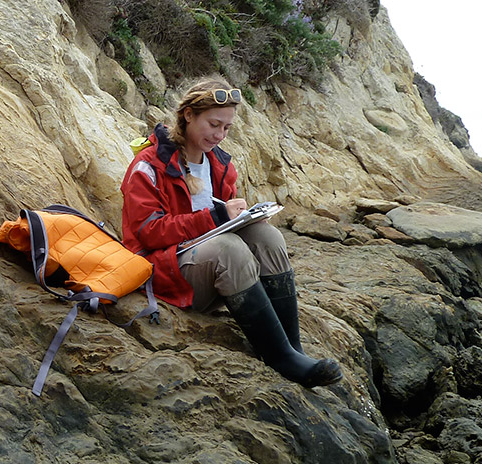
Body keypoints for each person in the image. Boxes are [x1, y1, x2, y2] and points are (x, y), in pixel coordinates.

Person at [120, 77, 342, 387]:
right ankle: (280, 357)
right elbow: (148, 232)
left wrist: (245, 220)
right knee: (229, 249)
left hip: (207, 272)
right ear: (188, 115)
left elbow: (221, 222)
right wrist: (215, 217)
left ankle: (293, 348)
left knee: (268, 238)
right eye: (213, 124)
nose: (220, 135)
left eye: (226, 128)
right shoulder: (149, 165)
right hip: (164, 275)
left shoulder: (220, 166)